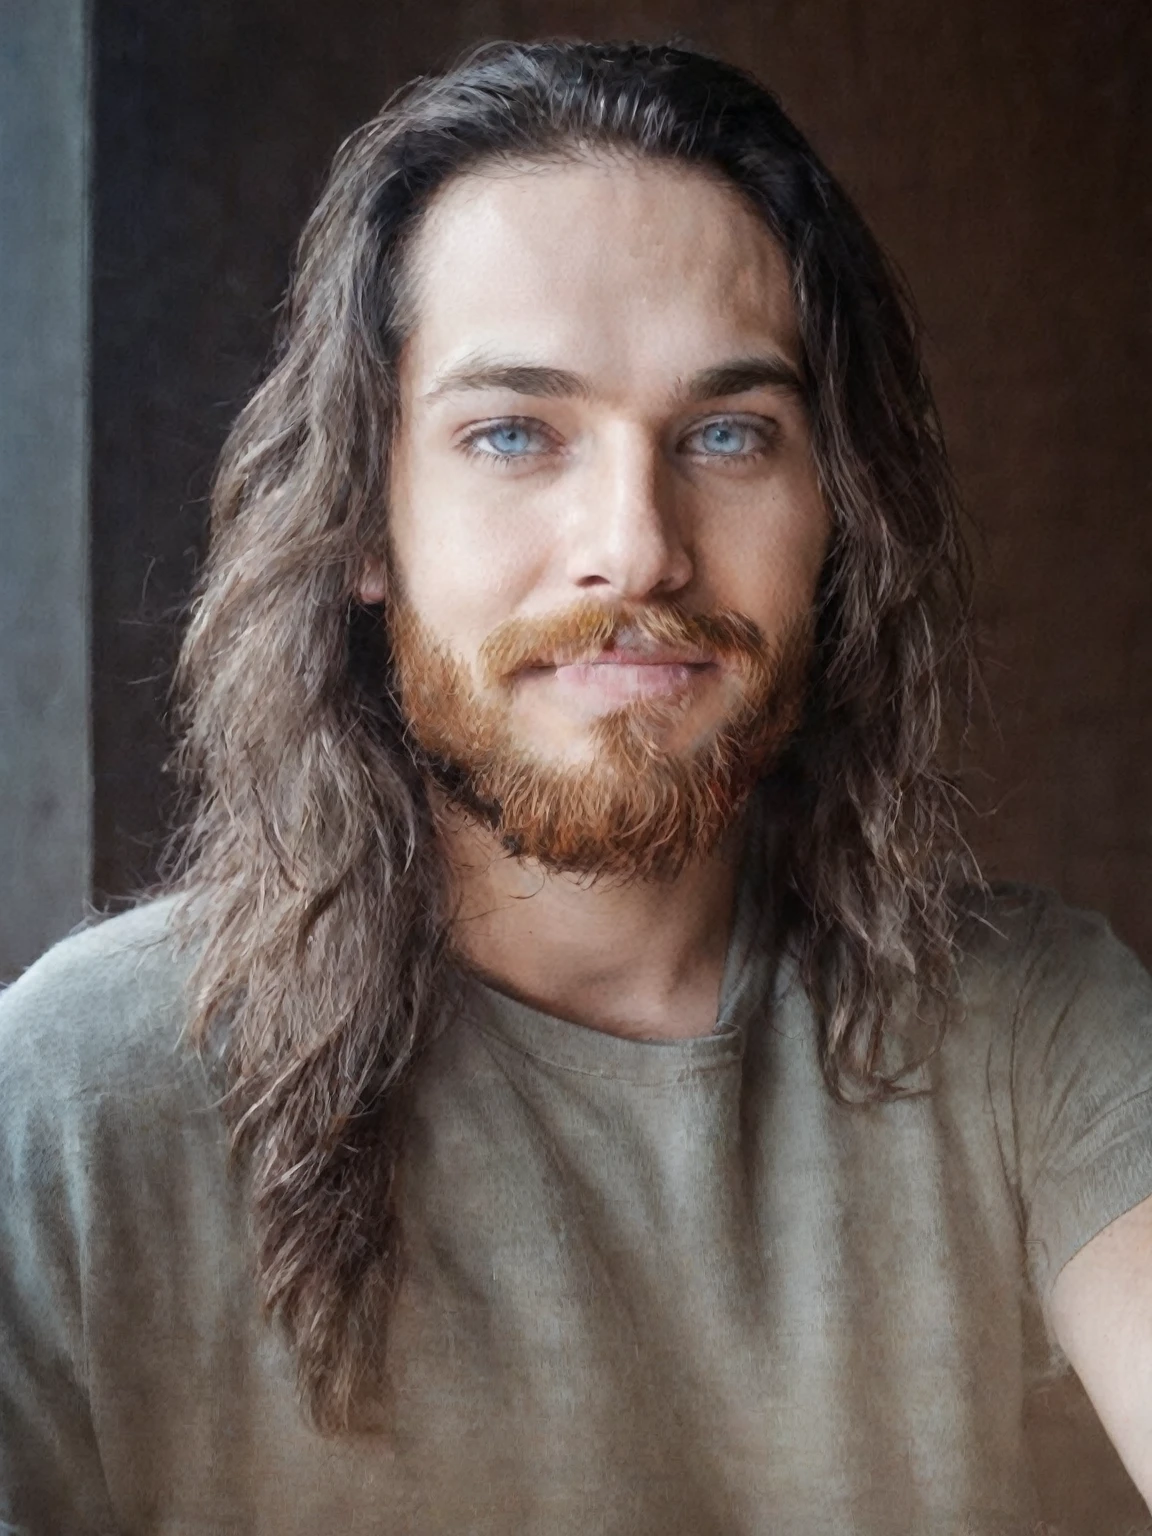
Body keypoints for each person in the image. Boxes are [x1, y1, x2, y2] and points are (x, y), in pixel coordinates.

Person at [1, 38, 1149, 1536]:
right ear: (362, 524)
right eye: (512, 434)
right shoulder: (74, 1108)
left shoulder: (1033, 1032)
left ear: (838, 518)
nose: (638, 544)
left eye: (729, 434)